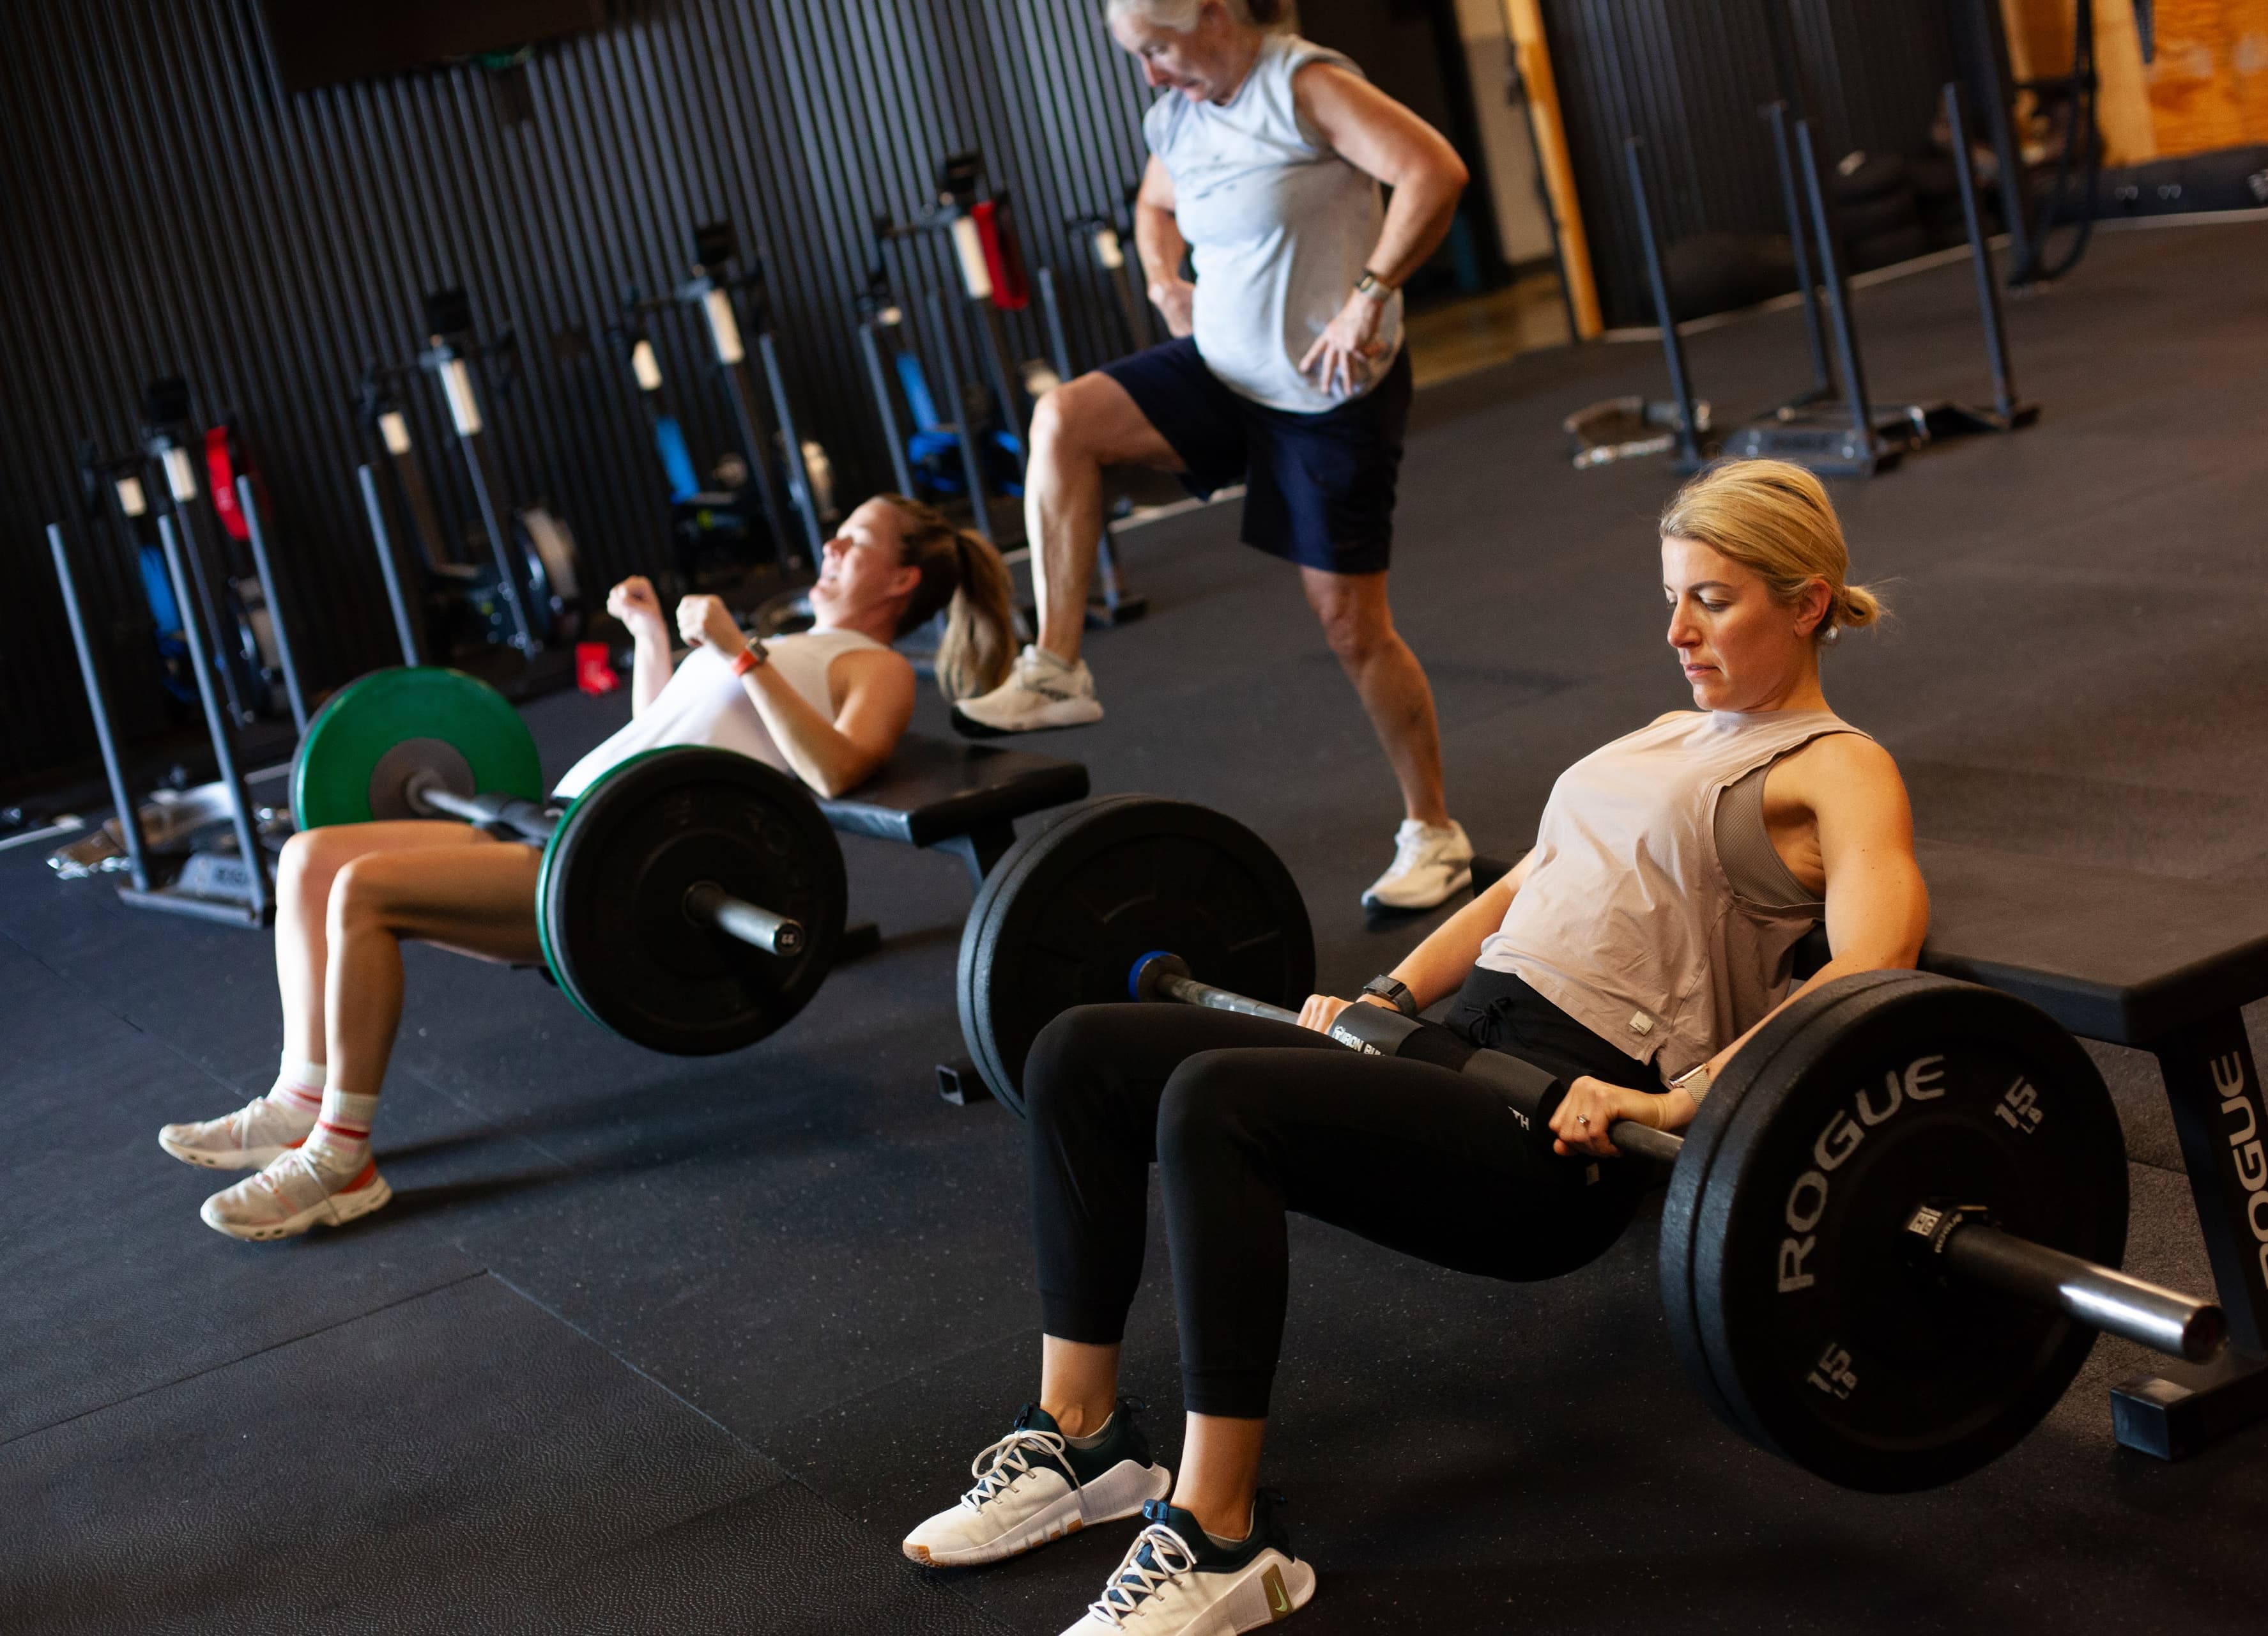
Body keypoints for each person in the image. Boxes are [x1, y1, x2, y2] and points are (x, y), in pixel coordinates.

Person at [903, 461, 1928, 1635]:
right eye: (1673, 596)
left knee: (1212, 1101)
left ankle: (1223, 1535)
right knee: (1078, 1049)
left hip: (1559, 1130)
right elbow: (1523, 884)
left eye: (1714, 599)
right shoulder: (1664, 732)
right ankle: (1087, 1443)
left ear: (1804, 604)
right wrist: (1380, 992)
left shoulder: (1837, 766)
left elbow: (1871, 966)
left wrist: (1676, 1105)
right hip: (1453, 1048)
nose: (1677, 628)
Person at [157, 496, 1014, 1243]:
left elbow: (833, 768)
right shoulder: (784, 641)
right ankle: (298, 1100)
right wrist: (653, 639)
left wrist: (740, 654)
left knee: (364, 890)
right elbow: (664, 734)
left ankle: (343, 1158)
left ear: (902, 582)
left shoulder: (875, 666)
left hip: (622, 877)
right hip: (571, 827)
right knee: (310, 857)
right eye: (838, 535)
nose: (830, 548)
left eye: (855, 540)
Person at [953, 0, 1479, 914]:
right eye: (1138, 58)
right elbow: (1155, 206)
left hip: (1327, 393)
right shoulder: (1180, 115)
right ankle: (1058, 666)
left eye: (1157, 49)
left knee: (1352, 627)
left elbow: (1432, 171)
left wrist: (1371, 291)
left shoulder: (1304, 84)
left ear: (1213, 14)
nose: (1151, 75)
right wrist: (1165, 279)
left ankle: (1434, 832)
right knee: (1064, 420)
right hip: (1221, 369)